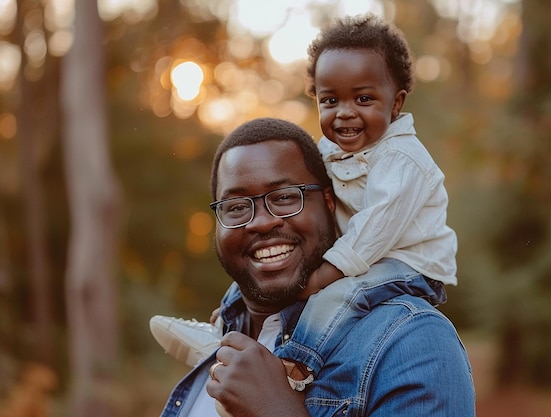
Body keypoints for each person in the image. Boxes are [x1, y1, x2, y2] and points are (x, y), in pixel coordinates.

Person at [152, 12, 458, 383]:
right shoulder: (333, 149)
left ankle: (293, 365)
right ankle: (222, 333)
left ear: (396, 103)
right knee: (261, 257)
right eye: (330, 101)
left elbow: (376, 229)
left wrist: (325, 274)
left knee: (337, 295)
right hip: (358, 253)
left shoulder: (403, 160)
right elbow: (300, 184)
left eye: (363, 98)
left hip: (405, 263)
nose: (345, 113)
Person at [158, 117, 475, 417]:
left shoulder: (412, 341)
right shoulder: (222, 355)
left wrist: (277, 410)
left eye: (284, 197)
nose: (262, 222)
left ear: (328, 202)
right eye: (237, 207)